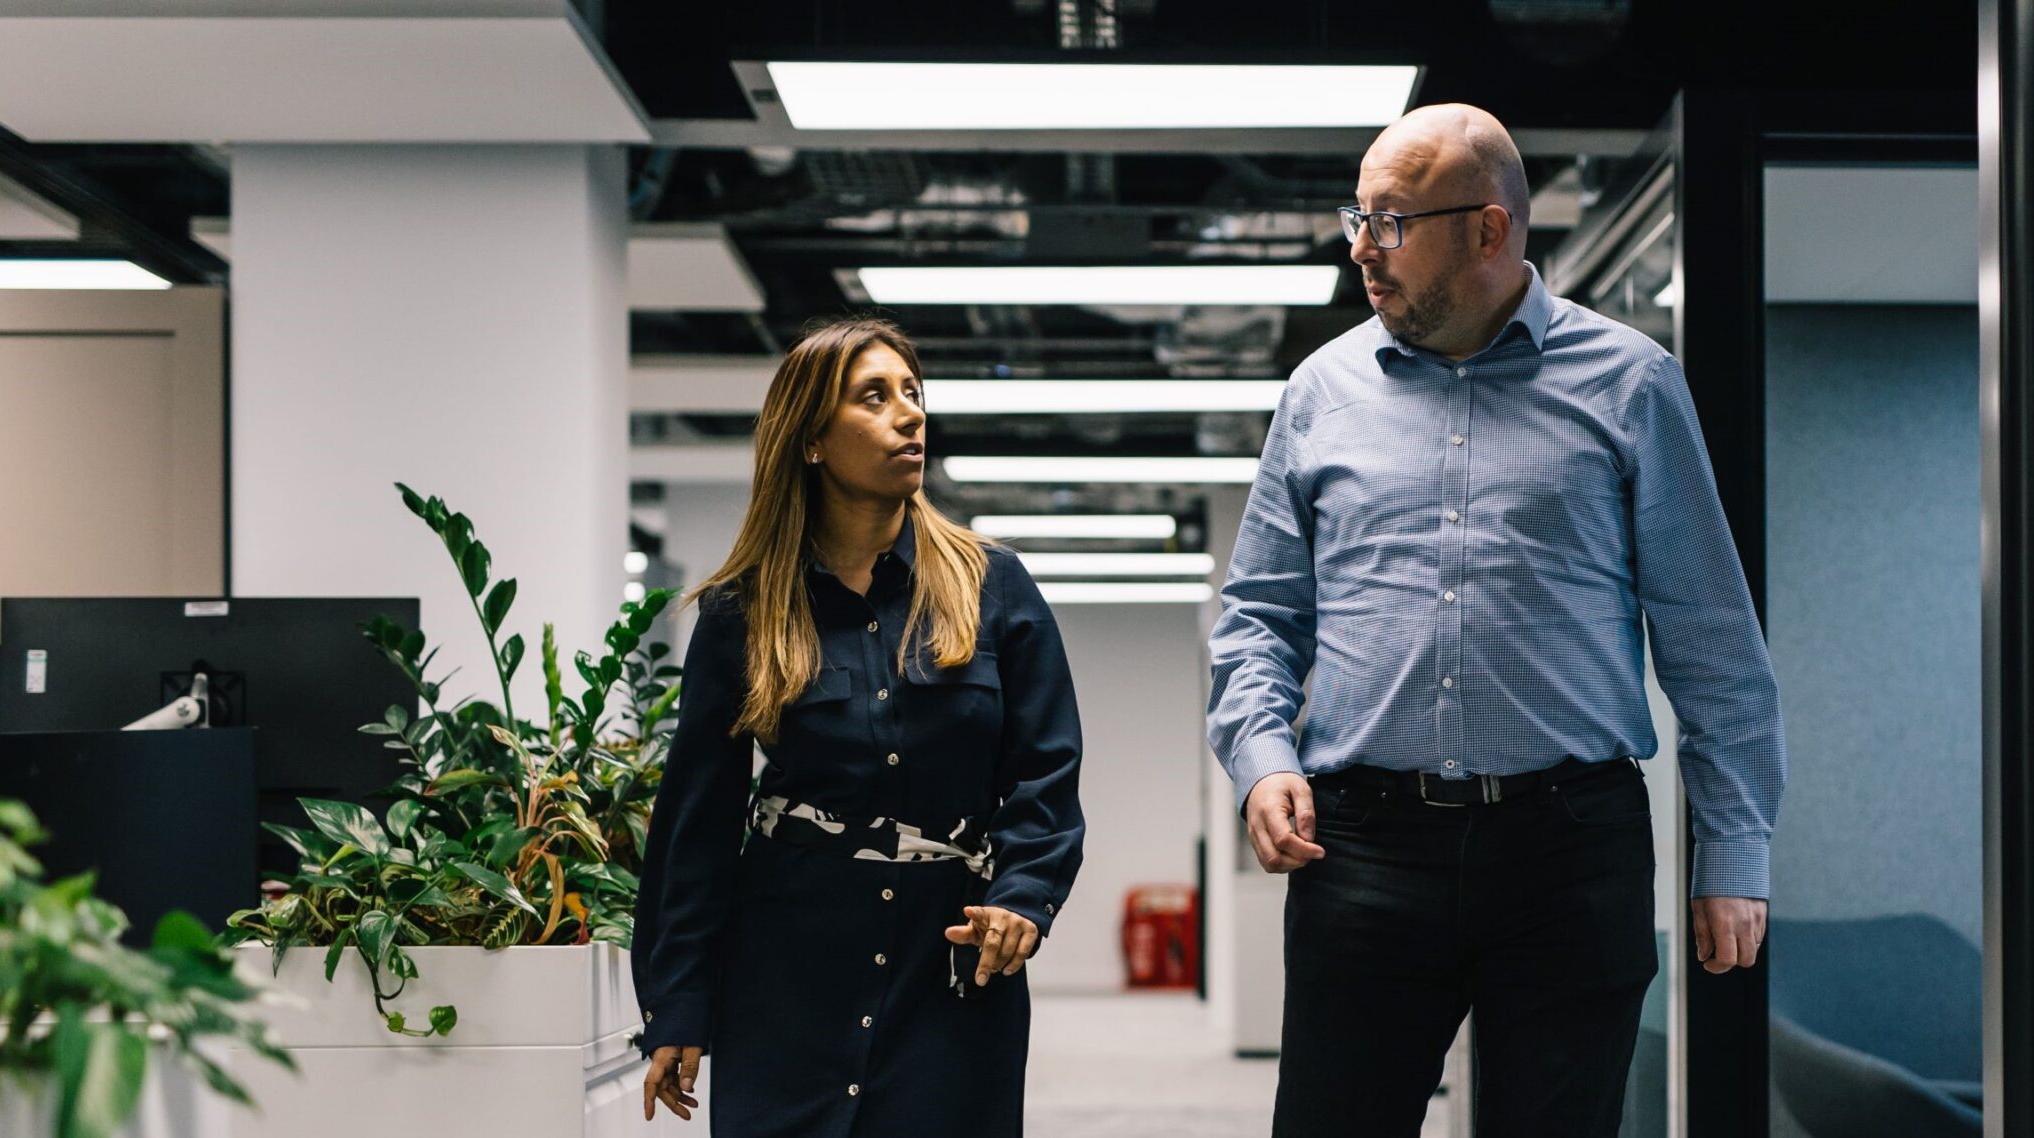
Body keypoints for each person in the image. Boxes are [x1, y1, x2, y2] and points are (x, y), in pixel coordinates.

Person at [1208, 103, 1787, 1138]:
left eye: (1390, 222)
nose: (1361, 248)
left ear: (1488, 228)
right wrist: (1260, 759)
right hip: (1364, 844)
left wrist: (1733, 851)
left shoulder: (1631, 384)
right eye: (1356, 218)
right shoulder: (1320, 393)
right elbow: (1258, 615)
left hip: (1569, 848)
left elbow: (1711, 640)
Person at [629, 317, 1087, 1137]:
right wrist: (679, 1003)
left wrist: (1022, 897)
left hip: (948, 977)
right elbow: (696, 824)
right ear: (811, 439)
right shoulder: (743, 612)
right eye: (874, 397)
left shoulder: (994, 587)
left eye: (912, 392)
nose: (910, 413)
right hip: (786, 976)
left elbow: (1045, 775)